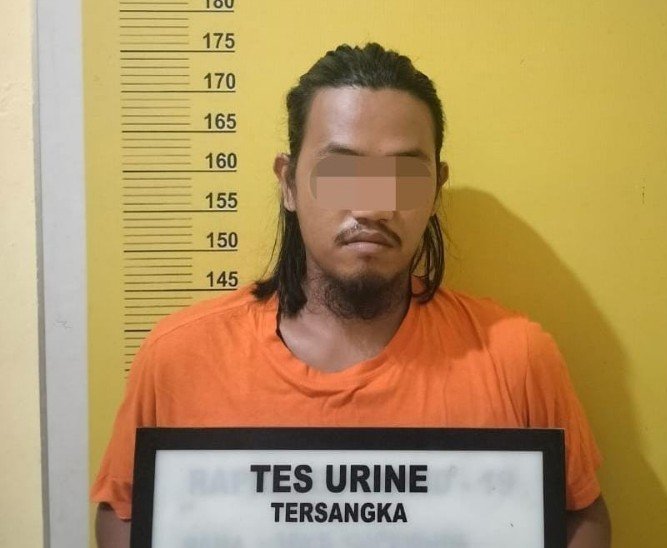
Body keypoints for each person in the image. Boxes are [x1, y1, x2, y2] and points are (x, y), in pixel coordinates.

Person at [92, 42, 611, 547]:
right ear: (288, 183)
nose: (373, 206)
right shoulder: (179, 356)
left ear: (436, 189)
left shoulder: (518, 358)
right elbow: (124, 512)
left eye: (404, 175)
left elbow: (580, 514)